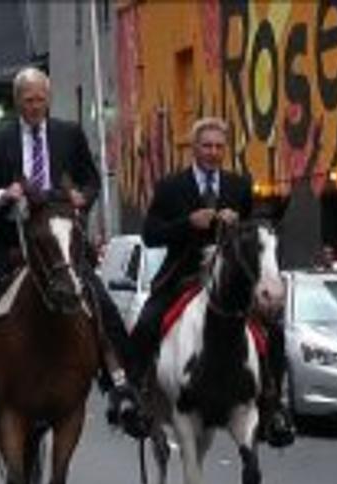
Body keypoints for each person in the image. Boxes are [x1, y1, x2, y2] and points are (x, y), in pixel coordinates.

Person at [0, 66, 142, 431]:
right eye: (28, 100)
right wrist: (1, 195)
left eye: (40, 99)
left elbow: (90, 179)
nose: (35, 106)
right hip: (12, 241)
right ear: (17, 103)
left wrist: (81, 198)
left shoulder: (68, 135)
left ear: (48, 99)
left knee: (100, 302)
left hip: (58, 243)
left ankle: (122, 384)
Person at [126, 117, 294, 447]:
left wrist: (238, 224)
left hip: (229, 282)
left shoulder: (239, 186)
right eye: (207, 146)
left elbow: (254, 234)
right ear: (194, 148)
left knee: (272, 330)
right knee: (147, 322)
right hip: (183, 274)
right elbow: (151, 234)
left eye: (219, 147)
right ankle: (136, 397)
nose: (213, 152)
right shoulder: (171, 186)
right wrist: (187, 223)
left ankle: (274, 406)